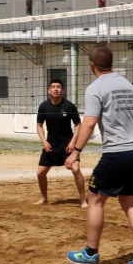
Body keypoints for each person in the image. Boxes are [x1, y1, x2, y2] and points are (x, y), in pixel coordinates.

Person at [65, 45, 133, 264]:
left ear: (92, 65)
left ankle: (90, 253)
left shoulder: (95, 88)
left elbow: (89, 122)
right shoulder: (127, 84)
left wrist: (76, 152)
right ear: (112, 63)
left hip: (117, 152)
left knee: (95, 199)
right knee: (130, 202)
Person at [35, 79, 87, 208]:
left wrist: (73, 142)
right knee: (40, 173)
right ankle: (44, 198)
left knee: (76, 169)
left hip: (67, 145)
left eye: (58, 87)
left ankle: (83, 200)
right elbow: (39, 125)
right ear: (49, 90)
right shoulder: (44, 106)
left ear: (62, 91)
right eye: (53, 87)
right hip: (51, 145)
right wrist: (43, 141)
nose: (56, 89)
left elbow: (78, 124)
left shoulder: (69, 106)